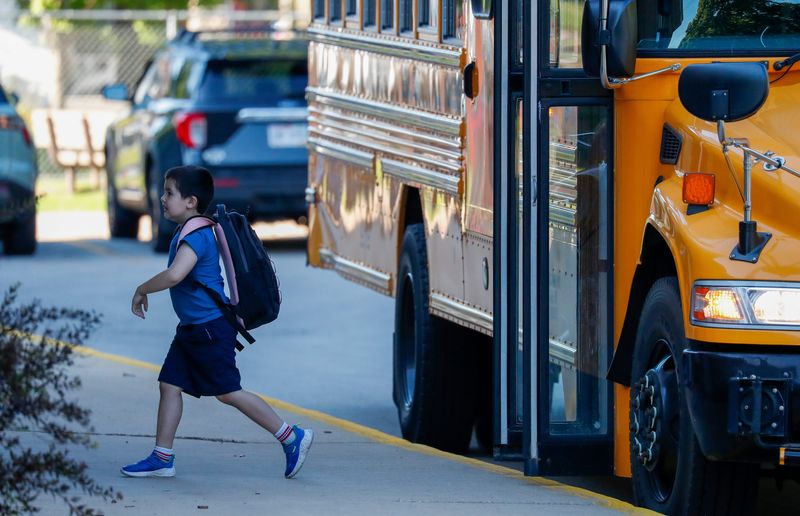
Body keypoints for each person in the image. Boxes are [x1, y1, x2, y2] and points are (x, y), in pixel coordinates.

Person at [121, 165, 313, 479]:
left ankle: (291, 436)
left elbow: (175, 274)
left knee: (228, 392)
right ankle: (162, 457)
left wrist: (142, 289)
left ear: (191, 201)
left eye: (169, 193)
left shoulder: (196, 235)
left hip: (210, 330)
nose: (163, 198)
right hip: (194, 329)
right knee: (170, 385)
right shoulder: (191, 229)